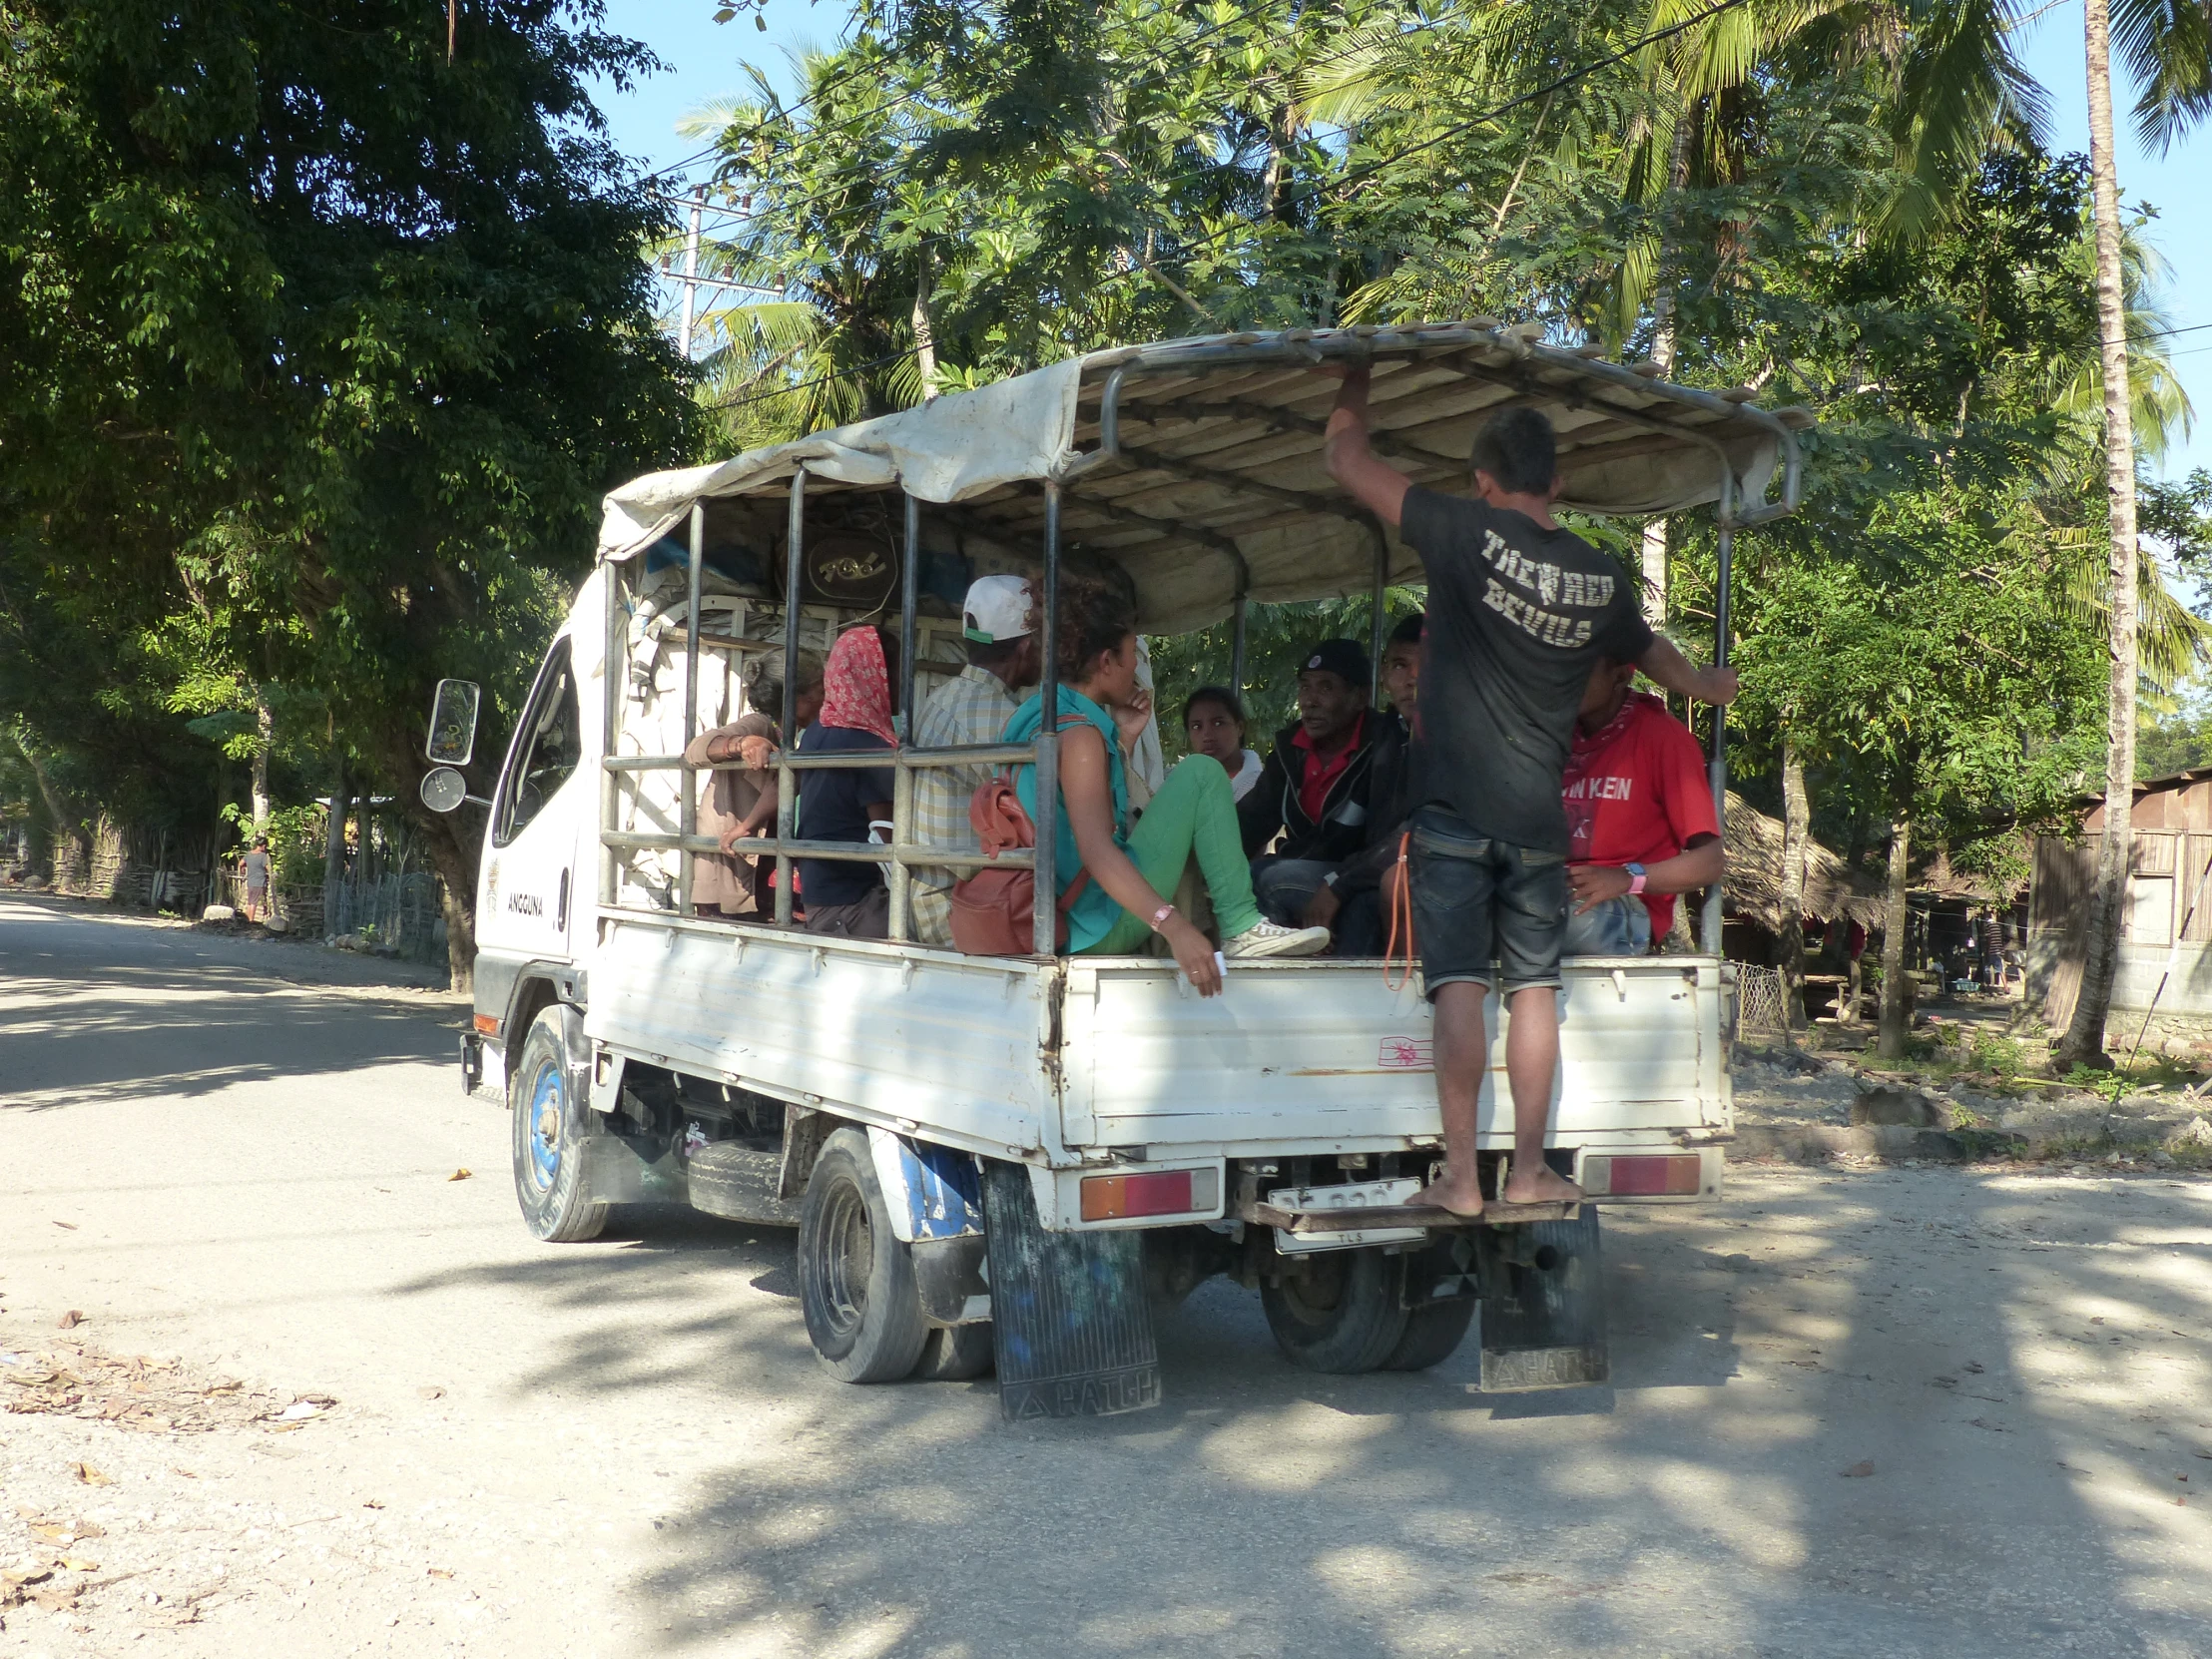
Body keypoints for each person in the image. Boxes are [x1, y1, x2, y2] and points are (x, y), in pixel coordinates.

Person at [1327, 374, 1738, 1214]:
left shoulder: (1456, 528)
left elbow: (1344, 456)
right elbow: (1661, 660)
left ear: (1482, 480)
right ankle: (1527, 1171)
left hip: (1452, 818)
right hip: (1537, 826)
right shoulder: (1597, 576)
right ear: (1556, 482)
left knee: (1459, 988)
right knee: (1535, 993)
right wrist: (1709, 682)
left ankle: (1458, 1178)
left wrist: (1357, 375)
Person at [1004, 580, 1331, 992]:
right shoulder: (1083, 736)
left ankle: (1237, 924)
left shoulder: (1038, 716)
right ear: (1107, 662)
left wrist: (1122, 739)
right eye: (1131, 656)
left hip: (1057, 910)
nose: (1135, 670)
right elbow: (1097, 850)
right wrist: (1173, 926)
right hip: (1093, 923)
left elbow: (1070, 805)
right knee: (1200, 772)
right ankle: (1240, 925)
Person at [1559, 655, 1724, 955]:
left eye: (1578, 668)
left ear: (1620, 676)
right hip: (1550, 891)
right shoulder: (1552, 736)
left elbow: (1710, 862)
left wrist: (1626, 877)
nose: (1564, 678)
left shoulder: (1662, 737)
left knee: (1538, 925)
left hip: (1617, 907)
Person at [910, 575, 1043, 947]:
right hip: (963, 911)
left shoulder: (943, 698)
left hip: (931, 899)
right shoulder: (1000, 718)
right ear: (1026, 647)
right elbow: (1046, 814)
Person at [1236, 638, 1381, 929]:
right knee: (1240, 878)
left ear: (1360, 697)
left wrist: (1337, 885)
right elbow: (1251, 821)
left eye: (1326, 687)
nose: (1309, 700)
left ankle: (1272, 967)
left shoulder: (1383, 747)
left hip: (1358, 878)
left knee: (1266, 878)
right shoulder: (1291, 750)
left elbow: (1388, 841)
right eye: (1305, 686)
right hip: (1300, 871)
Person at [683, 653, 825, 917]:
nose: (825, 699)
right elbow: (695, 750)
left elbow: (782, 788)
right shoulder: (759, 725)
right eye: (819, 691)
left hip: (757, 868)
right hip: (726, 871)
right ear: (796, 698)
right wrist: (741, 744)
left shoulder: (798, 738)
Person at [1320, 614, 1426, 955]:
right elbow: (1348, 822)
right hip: (1372, 868)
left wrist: (1339, 885)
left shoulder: (1456, 736)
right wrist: (1330, 876)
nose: (1412, 679)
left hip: (1426, 874)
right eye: (1400, 665)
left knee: (1365, 905)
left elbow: (1422, 830)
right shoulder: (1387, 734)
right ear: (1383, 677)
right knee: (1271, 877)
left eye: (1426, 665)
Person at [792, 625, 901, 938]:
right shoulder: (864, 739)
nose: (898, 683)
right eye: (891, 672)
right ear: (870, 675)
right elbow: (887, 835)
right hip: (853, 902)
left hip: (823, 894)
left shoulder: (818, 729)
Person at [1184, 687, 1265, 801]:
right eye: (1197, 726)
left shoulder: (1262, 788)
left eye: (1218, 723)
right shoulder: (1183, 786)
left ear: (1239, 728)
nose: (1207, 735)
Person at [241, 835, 272, 921]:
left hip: (250, 882)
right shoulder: (262, 856)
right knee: (254, 903)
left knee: (250, 902)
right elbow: (268, 868)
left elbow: (240, 863)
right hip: (259, 882)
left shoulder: (249, 854)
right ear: (264, 846)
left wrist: (243, 869)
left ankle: (247, 920)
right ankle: (251, 921)